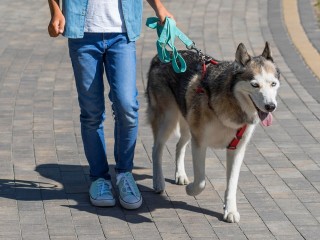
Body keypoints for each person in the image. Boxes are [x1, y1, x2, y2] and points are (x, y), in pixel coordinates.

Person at [47, 0, 173, 209]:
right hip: (83, 34)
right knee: (92, 112)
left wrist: (159, 8)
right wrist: (55, 10)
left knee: (127, 107)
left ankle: (124, 174)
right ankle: (99, 179)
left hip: (121, 34)